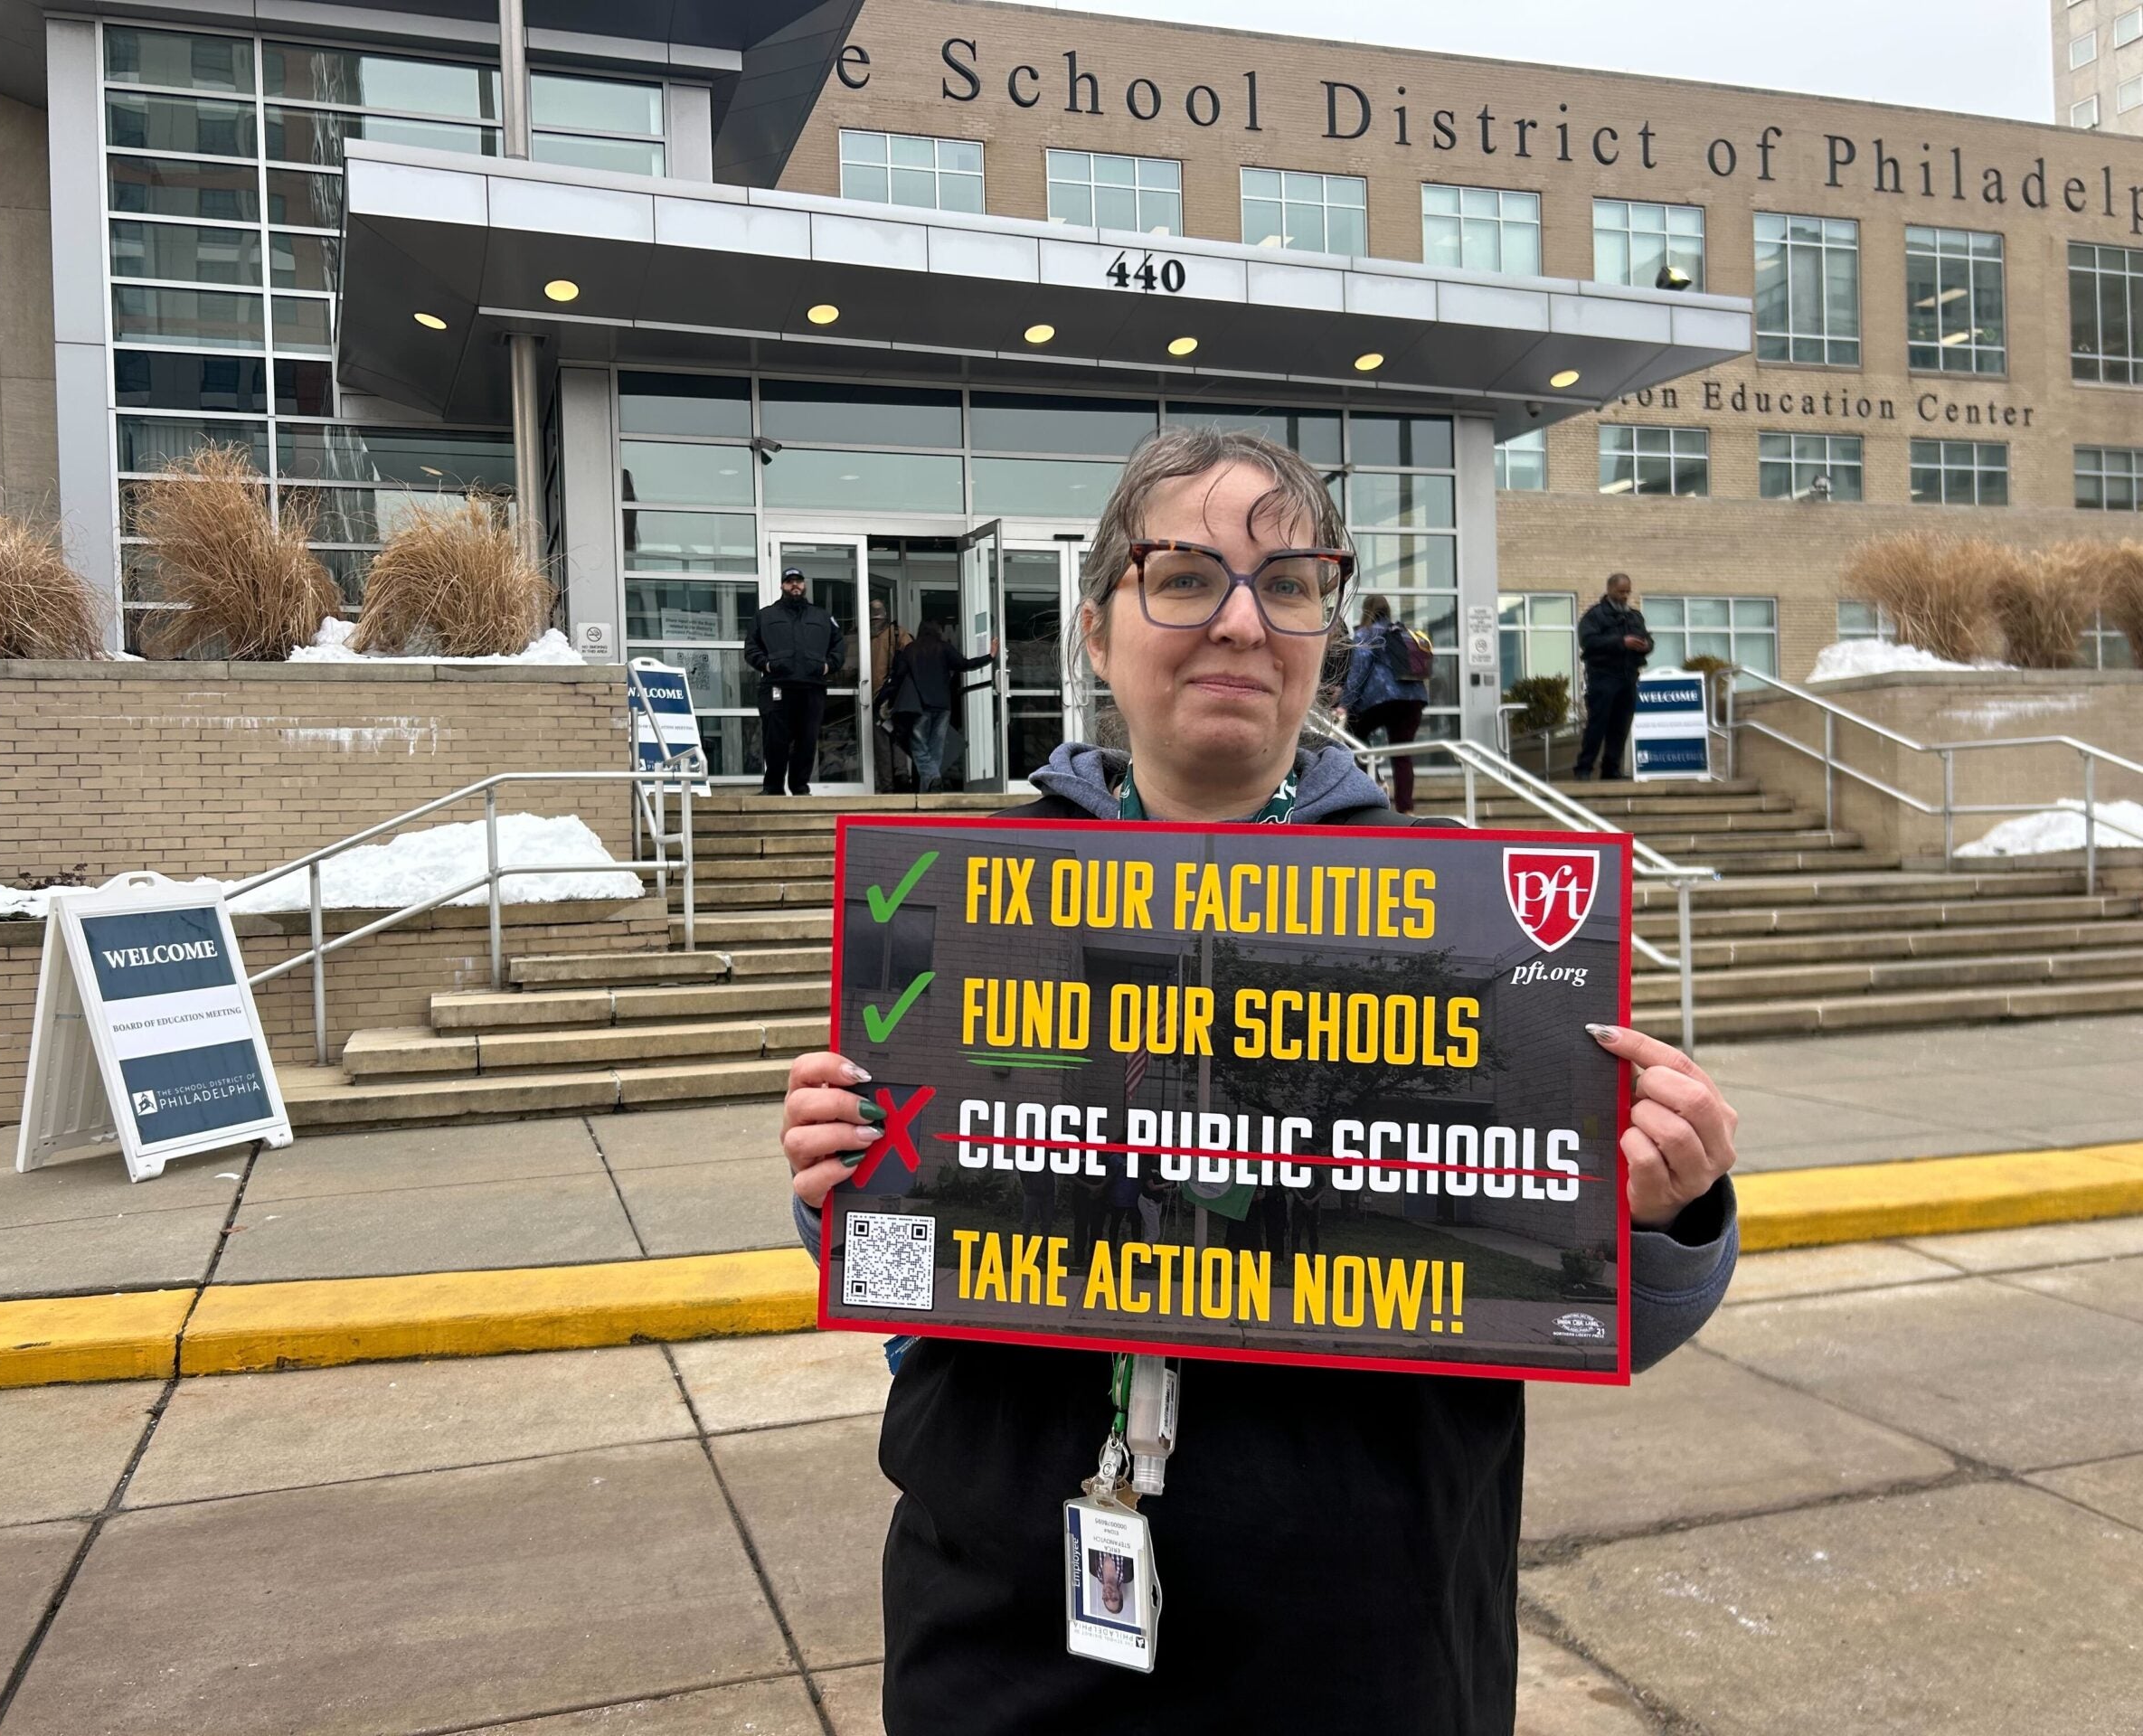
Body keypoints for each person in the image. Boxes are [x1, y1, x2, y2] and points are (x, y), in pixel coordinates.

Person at [778, 426, 1742, 1733]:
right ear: (1097, 630)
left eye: (1287, 585)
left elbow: (1579, 1302)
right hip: (1009, 1639)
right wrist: (846, 1179)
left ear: (1323, 639)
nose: (1239, 621)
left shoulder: (1467, 922)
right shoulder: (961, 902)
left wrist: (1667, 1214)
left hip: (1367, 1649)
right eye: (1184, 576)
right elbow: (910, 1261)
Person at [744, 567, 844, 796]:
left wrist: (827, 666)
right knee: (775, 740)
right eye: (790, 582)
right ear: (782, 586)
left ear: (804, 584)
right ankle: (773, 788)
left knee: (807, 740)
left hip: (811, 687)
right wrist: (767, 665)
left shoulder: (822, 616)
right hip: (777, 686)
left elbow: (838, 646)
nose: (795, 585)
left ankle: (800, 787)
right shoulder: (765, 616)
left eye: (798, 581)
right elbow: (751, 647)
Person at [1336, 593, 1430, 811]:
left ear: (1366, 611)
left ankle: (1376, 781)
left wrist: (1344, 704)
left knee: (1351, 733)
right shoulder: (1404, 633)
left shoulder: (1366, 634)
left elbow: (1357, 673)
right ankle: (1406, 809)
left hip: (1383, 698)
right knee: (1401, 754)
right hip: (1414, 700)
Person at [879, 619, 996, 792]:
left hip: (920, 706)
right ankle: (931, 790)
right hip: (943, 706)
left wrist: (886, 698)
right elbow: (964, 664)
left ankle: (933, 779)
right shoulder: (944, 648)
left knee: (919, 748)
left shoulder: (911, 649)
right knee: (936, 750)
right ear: (937, 631)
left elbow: (898, 677)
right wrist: (990, 657)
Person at [1573, 571, 1652, 782]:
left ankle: (1611, 769)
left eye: (1627, 592)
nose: (1625, 596)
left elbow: (1648, 640)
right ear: (1609, 590)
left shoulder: (1634, 616)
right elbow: (1589, 642)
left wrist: (1645, 645)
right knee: (1597, 724)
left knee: (1621, 726)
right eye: (1621, 592)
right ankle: (1584, 768)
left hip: (1628, 677)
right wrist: (1621, 642)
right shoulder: (1595, 616)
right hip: (1603, 677)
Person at [868, 597, 912, 792]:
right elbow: (911, 658)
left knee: (882, 744)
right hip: (894, 694)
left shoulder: (861, 636)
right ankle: (901, 775)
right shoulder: (897, 633)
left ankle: (887, 785)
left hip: (873, 697)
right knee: (897, 736)